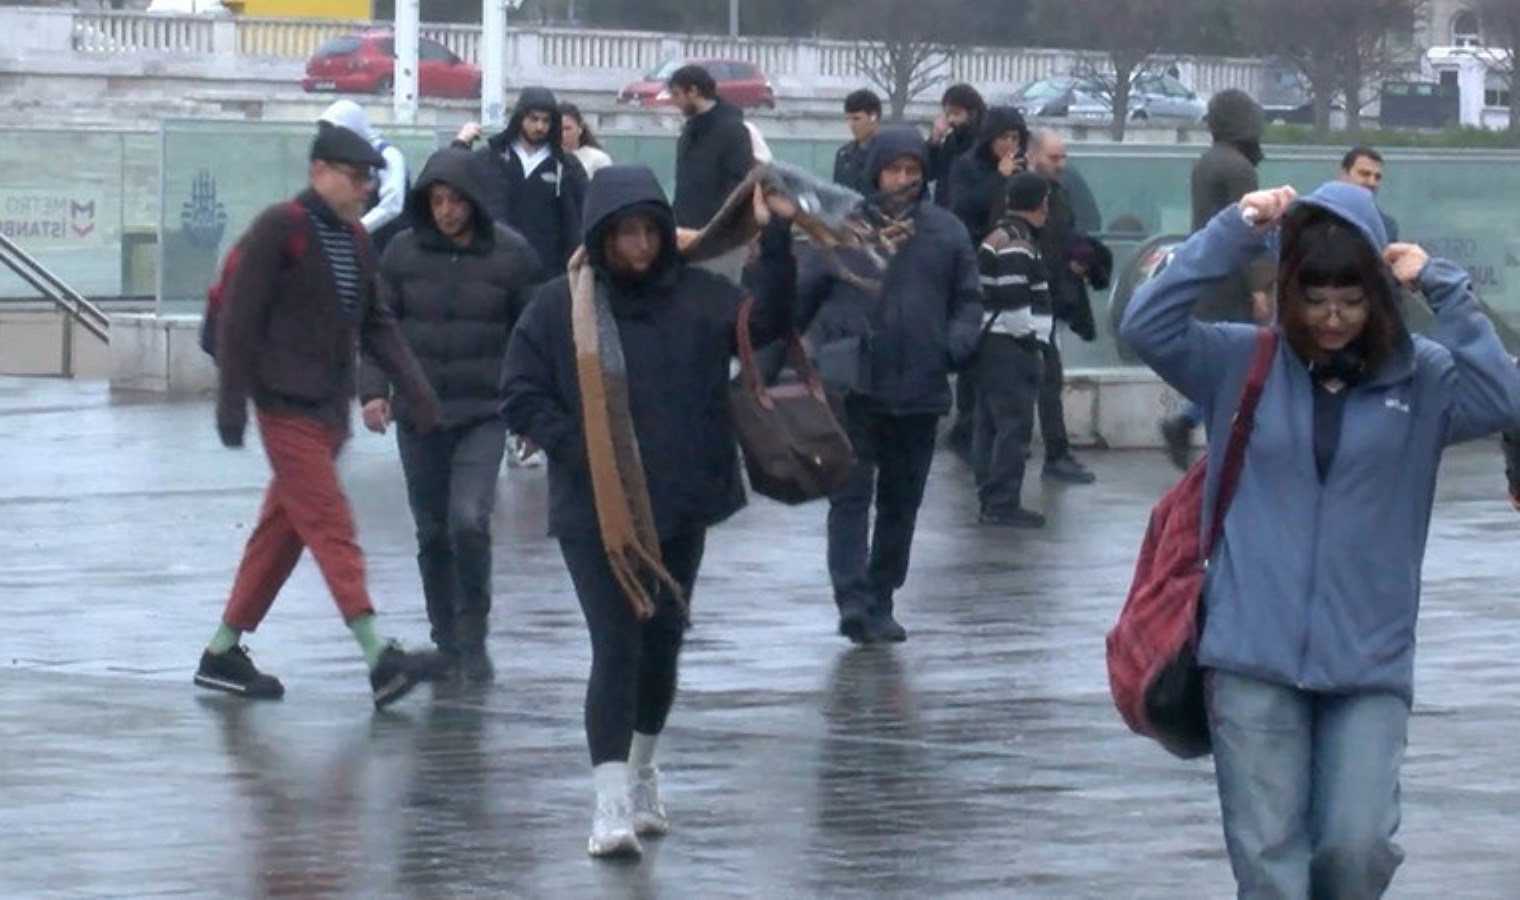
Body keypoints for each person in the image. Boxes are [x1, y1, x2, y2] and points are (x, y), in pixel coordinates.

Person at [1121, 181, 1520, 897]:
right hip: (1250, 653)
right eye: (1314, 299)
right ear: (1287, 291)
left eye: (1351, 299)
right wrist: (1235, 229)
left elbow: (1504, 397)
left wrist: (1442, 285)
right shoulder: (1241, 362)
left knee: (1356, 848)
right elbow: (1146, 323)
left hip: (1368, 660)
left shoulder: (1423, 378)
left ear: (1379, 296)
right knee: (1269, 865)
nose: (1332, 317)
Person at [501, 166, 805, 858]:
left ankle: (641, 770)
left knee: (662, 642)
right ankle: (609, 804)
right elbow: (519, 392)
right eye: (624, 233)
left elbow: (770, 324)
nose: (639, 246)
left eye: (649, 231)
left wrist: (778, 237)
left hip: (681, 501)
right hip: (596, 512)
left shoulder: (699, 296)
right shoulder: (558, 308)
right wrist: (581, 449)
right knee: (617, 645)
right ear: (599, 237)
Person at [196, 122, 446, 710]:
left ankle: (221, 653)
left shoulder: (355, 239)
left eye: (369, 180)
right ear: (319, 172)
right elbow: (239, 319)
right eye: (356, 178)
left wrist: (422, 397)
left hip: (327, 412)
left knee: (280, 536)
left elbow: (377, 323)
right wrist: (232, 405)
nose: (365, 189)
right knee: (331, 522)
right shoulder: (280, 228)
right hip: (284, 408)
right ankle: (379, 657)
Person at [357, 147, 540, 685]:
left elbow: (534, 339)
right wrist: (374, 391)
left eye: (456, 201)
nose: (446, 212)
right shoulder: (402, 253)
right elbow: (378, 328)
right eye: (436, 201)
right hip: (419, 415)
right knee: (433, 531)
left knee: (468, 520)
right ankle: (446, 639)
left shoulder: (511, 255)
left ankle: (473, 633)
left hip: (483, 412)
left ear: (474, 201)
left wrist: (531, 412)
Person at [802, 125, 983, 645]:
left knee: (901, 503)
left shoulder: (945, 231)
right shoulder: (843, 227)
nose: (903, 179)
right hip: (855, 388)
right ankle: (852, 599)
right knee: (849, 498)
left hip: (920, 389)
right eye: (894, 169)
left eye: (912, 170)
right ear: (874, 172)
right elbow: (804, 296)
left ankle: (882, 595)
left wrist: (953, 345)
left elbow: (968, 298)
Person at [1160, 88, 1274, 470]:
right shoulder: (1239, 169)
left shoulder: (1208, 161)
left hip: (1207, 279)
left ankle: (1199, 431)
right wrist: (1259, 287)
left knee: (1220, 364)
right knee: (1238, 365)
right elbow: (1249, 228)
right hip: (1232, 282)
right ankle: (1200, 432)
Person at [974, 173, 1054, 527]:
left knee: (989, 425)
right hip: (1010, 346)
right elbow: (1014, 298)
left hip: (990, 345)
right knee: (1013, 427)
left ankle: (989, 496)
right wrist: (1032, 340)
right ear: (1042, 203)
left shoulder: (996, 237)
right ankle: (1003, 502)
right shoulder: (1018, 244)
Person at [453, 86, 588, 286]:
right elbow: (453, 174)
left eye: (546, 121)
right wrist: (460, 144)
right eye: (533, 119)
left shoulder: (566, 166)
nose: (540, 127)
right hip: (494, 265)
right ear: (520, 118)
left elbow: (584, 210)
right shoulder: (494, 157)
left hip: (548, 271)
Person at [1025, 128, 1098, 484]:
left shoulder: (1058, 193)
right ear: (1033, 156)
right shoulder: (1026, 193)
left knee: (1049, 377)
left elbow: (1066, 234)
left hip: (1049, 294)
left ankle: (1055, 453)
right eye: (1054, 157)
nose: (1061, 164)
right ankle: (1053, 454)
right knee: (1043, 378)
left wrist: (1080, 256)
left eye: (1063, 156)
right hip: (1029, 298)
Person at [668, 63, 755, 282]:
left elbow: (741, 184)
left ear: (693, 91)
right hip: (686, 234)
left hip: (721, 239)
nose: (674, 101)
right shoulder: (688, 132)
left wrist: (719, 227)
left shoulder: (733, 130)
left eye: (677, 94)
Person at [317, 100, 410, 256]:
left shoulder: (388, 155)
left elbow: (392, 205)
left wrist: (357, 230)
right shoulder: (348, 160)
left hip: (392, 246)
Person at [927, 83, 985, 209]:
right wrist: (935, 141)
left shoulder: (982, 141)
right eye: (947, 115)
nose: (950, 120)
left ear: (972, 113)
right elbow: (931, 173)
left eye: (956, 114)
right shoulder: (951, 140)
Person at [1339, 145, 1399, 241]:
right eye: (1365, 174)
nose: (1372, 183)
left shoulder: (1386, 226)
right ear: (1344, 174)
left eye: (1377, 177)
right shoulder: (1320, 218)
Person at [833, 88, 882, 195]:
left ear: (873, 117)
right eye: (848, 119)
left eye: (856, 119)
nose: (851, 124)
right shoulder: (844, 155)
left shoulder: (889, 154)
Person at [560, 102, 614, 180]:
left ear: (580, 128)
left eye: (567, 129)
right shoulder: (546, 158)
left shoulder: (598, 159)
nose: (562, 134)